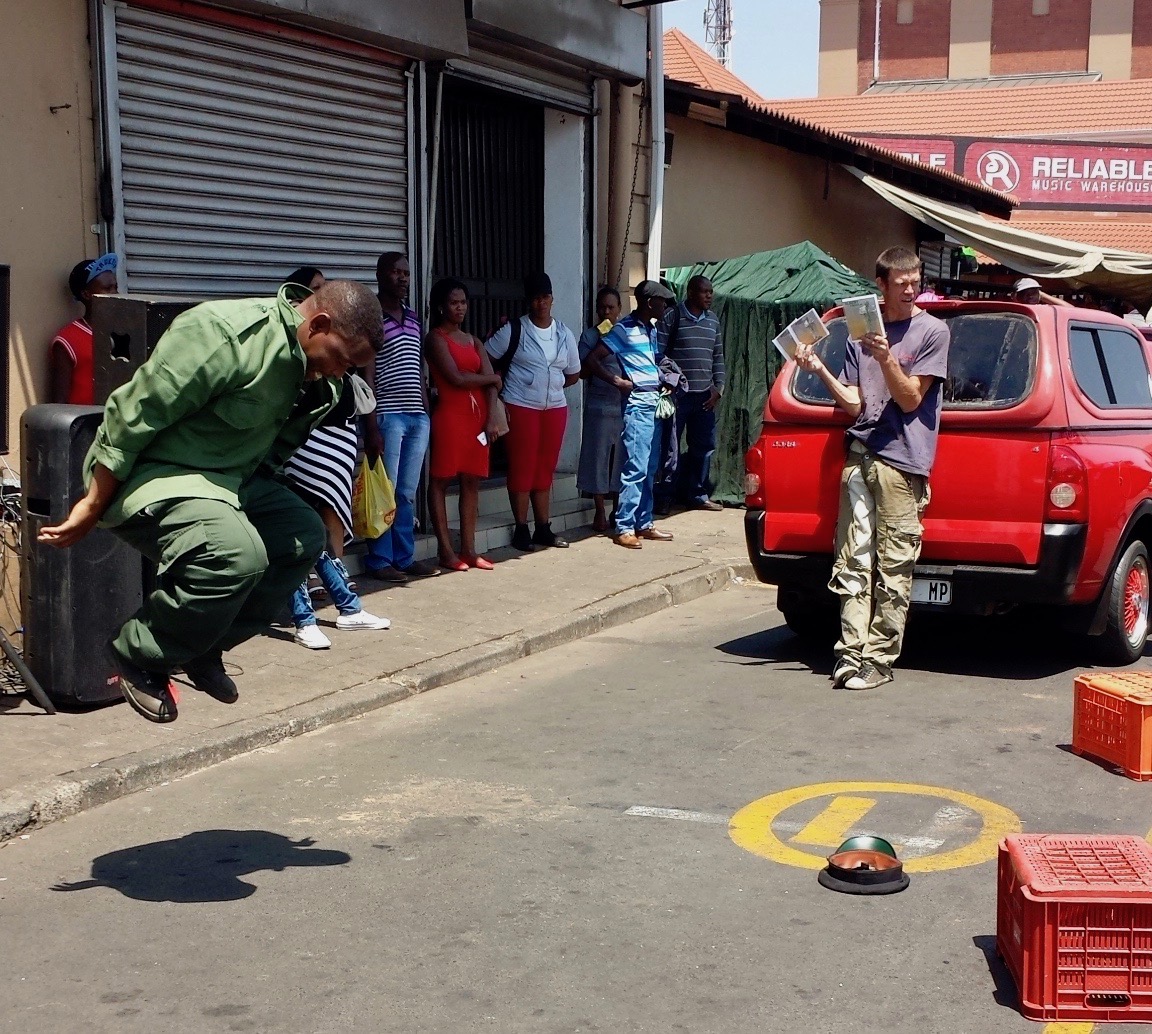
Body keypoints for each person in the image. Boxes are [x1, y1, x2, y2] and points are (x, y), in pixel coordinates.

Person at [38, 280, 383, 723]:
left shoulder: (314, 375)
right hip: (155, 472)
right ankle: (138, 651)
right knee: (237, 553)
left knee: (300, 535)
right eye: (343, 360)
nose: (341, 373)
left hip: (229, 480)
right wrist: (91, 503)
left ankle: (203, 648)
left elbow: (273, 447)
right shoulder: (224, 334)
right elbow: (133, 416)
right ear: (317, 324)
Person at [794, 247, 949, 692]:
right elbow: (855, 405)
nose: (910, 289)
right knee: (853, 561)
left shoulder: (932, 332)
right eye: (901, 283)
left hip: (902, 464)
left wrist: (885, 358)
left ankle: (879, 661)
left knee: (894, 566)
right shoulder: (860, 333)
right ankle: (849, 654)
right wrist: (819, 367)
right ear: (880, 286)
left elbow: (910, 400)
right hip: (860, 457)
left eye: (915, 280)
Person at [281, 267, 391, 650]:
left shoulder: (329, 358)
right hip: (298, 451)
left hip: (335, 444)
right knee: (294, 539)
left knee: (319, 534)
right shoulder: (288, 353)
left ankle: (347, 606)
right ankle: (303, 619)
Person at [485, 273, 581, 552]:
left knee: (545, 468)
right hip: (521, 405)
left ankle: (543, 527)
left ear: (552, 298)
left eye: (545, 297)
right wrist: (497, 387)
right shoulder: (514, 330)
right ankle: (521, 527)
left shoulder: (563, 333)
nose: (541, 303)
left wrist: (554, 382)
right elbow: (486, 358)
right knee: (522, 467)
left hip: (555, 408)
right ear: (529, 301)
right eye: (536, 298)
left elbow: (573, 373)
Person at [363, 251, 439, 583]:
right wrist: (371, 424)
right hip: (389, 416)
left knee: (406, 491)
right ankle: (379, 560)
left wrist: (424, 409)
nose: (403, 278)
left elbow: (418, 366)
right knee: (386, 489)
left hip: (416, 417)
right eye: (396, 272)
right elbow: (366, 374)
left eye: (406, 273)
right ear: (380, 275)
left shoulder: (412, 317)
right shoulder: (371, 318)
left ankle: (404, 557)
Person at [586, 280, 678, 550]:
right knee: (635, 467)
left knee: (649, 468)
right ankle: (624, 526)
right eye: (662, 302)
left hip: (653, 401)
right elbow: (592, 359)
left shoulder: (650, 329)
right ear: (650, 303)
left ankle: (643, 522)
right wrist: (617, 381)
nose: (665, 307)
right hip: (637, 404)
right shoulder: (622, 330)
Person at [425, 278, 503, 571]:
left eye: (463, 302)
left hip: (478, 418)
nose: (459, 308)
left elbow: (491, 381)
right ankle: (446, 551)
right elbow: (456, 377)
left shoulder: (474, 340)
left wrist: (492, 414)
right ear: (441, 306)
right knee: (441, 480)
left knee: (472, 481)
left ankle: (469, 549)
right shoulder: (435, 338)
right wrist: (491, 379)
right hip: (450, 416)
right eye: (453, 302)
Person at [656, 274, 726, 512]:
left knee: (703, 447)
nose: (709, 296)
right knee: (671, 449)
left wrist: (719, 388)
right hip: (679, 397)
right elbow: (658, 353)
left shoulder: (713, 321)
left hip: (705, 396)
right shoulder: (672, 317)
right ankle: (664, 496)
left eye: (711, 292)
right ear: (691, 293)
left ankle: (697, 493)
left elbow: (718, 356)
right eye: (704, 292)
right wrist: (672, 382)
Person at [577, 287, 625, 533]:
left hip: (623, 406)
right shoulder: (589, 336)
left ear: (620, 309)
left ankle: (618, 509)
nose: (607, 312)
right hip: (599, 405)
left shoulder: (626, 332)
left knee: (620, 460)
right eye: (602, 308)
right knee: (597, 459)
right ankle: (599, 511)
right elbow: (581, 371)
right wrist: (600, 336)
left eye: (611, 308)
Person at [49, 253, 119, 405]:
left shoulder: (124, 331)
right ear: (86, 294)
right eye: (107, 288)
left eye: (115, 287)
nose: (115, 293)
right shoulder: (67, 340)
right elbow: (59, 402)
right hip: (87, 424)